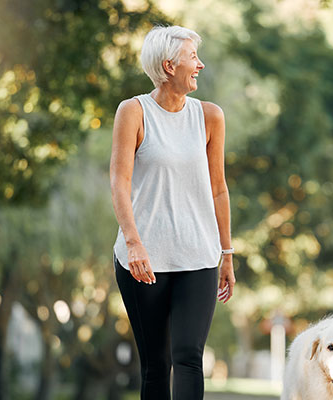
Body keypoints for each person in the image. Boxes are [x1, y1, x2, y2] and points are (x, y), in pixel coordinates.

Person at [109, 25, 235, 399]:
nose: (200, 64)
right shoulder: (133, 112)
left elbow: (219, 189)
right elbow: (119, 182)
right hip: (143, 260)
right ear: (168, 65)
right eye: (192, 57)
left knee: (188, 356)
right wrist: (133, 244)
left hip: (197, 256)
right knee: (155, 364)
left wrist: (226, 253)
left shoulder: (210, 116)